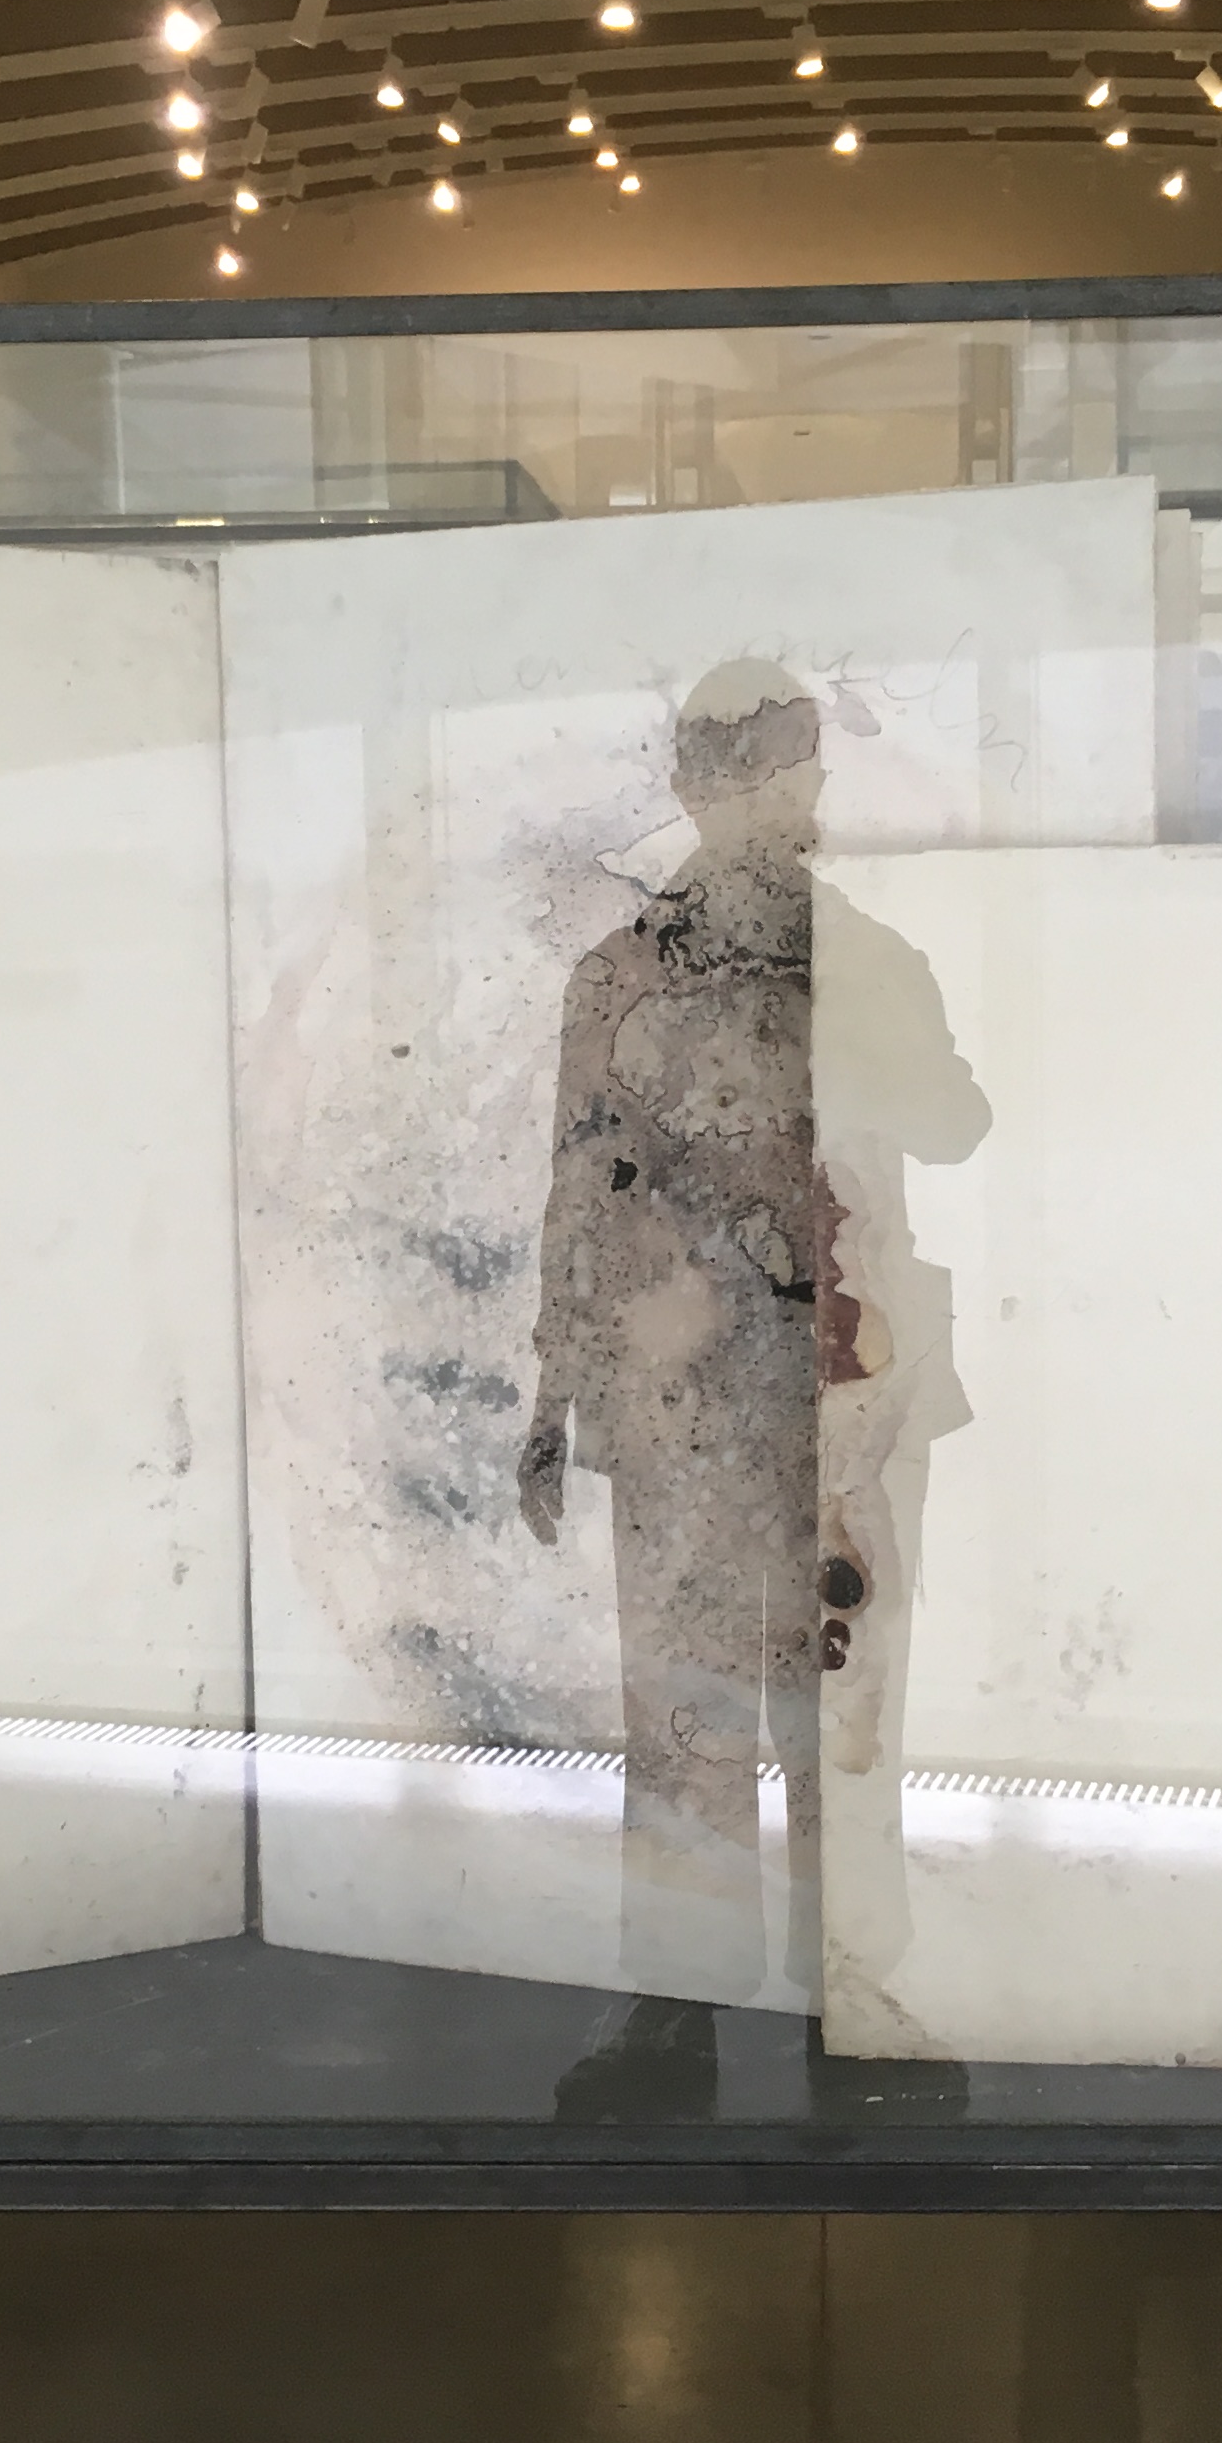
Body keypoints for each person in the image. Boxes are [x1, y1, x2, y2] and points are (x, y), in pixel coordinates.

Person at [518, 659, 831, 2015]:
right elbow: (581, 1186)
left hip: (832, 1389)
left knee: (831, 1704)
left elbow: (959, 1126)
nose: (796, 804)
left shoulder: (858, 957)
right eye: (766, 775)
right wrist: (552, 1392)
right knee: (684, 1705)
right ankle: (683, 2007)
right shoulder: (621, 975)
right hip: (676, 1395)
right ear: (697, 790)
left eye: (801, 773)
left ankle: (843, 1998)